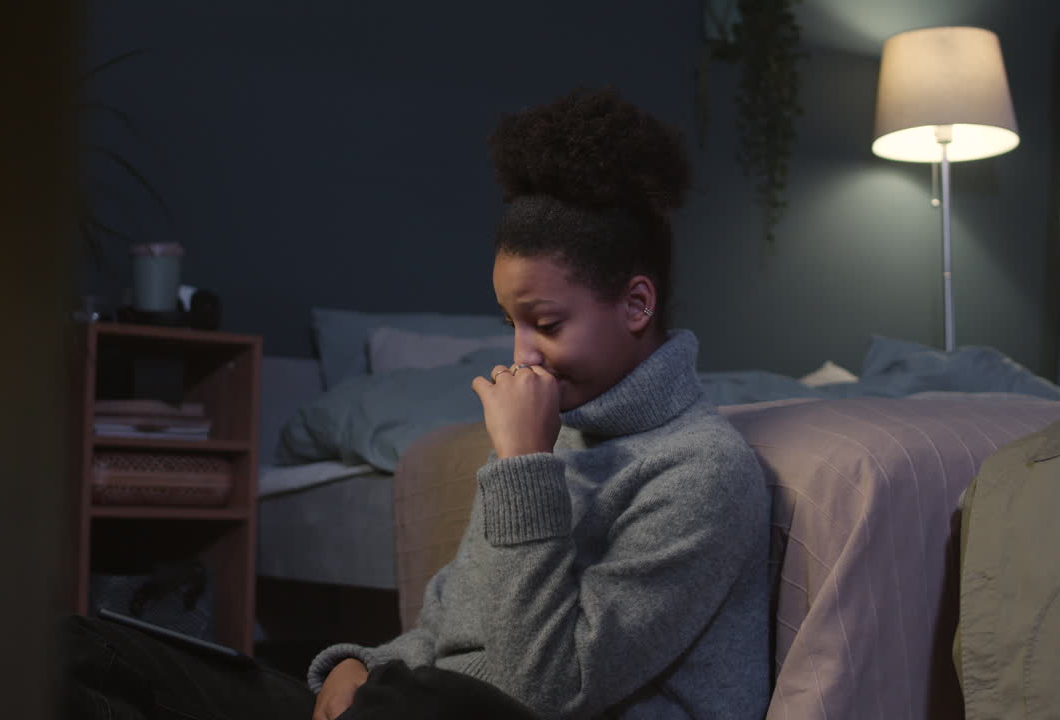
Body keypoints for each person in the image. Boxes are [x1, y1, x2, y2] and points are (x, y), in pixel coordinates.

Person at [62, 87, 772, 720]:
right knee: (82, 650)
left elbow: (538, 692)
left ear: (637, 304)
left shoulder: (701, 473)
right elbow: (451, 622)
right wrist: (361, 663)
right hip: (418, 703)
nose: (522, 355)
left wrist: (523, 467)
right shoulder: (552, 432)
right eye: (511, 323)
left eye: (547, 323)